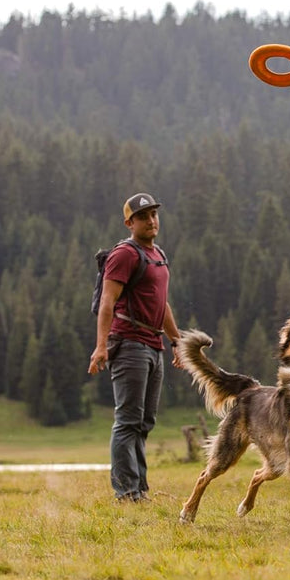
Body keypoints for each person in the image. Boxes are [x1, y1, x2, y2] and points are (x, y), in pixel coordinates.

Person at [89, 192, 183, 502]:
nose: (151, 220)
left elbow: (162, 304)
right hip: (128, 344)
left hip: (154, 346)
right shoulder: (125, 255)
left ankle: (139, 489)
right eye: (142, 217)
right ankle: (126, 492)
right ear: (129, 223)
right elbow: (107, 301)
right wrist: (101, 346)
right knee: (128, 420)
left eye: (153, 214)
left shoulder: (158, 255)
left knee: (144, 422)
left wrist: (176, 341)